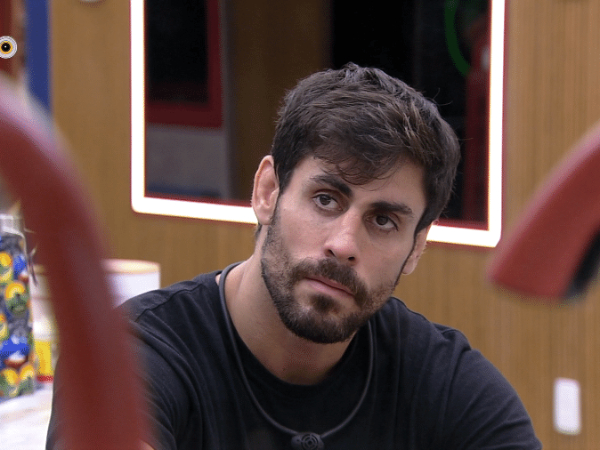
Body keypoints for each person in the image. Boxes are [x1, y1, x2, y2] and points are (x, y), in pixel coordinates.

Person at [47, 63, 541, 449]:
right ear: (268, 191)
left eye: (383, 221)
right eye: (326, 199)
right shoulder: (134, 355)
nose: (344, 245)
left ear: (416, 248)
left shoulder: (446, 382)